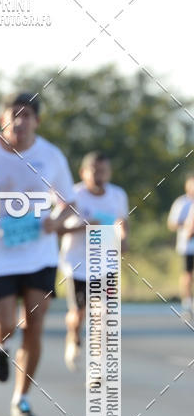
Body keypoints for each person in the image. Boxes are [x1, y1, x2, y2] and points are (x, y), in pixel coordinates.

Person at [0, 93, 75, 416]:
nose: (19, 121)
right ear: (2, 118)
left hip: (39, 254)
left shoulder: (50, 155)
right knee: (3, 324)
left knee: (34, 326)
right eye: (13, 114)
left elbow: (69, 203)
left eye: (27, 114)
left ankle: (22, 399)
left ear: (37, 121)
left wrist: (57, 222)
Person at [59, 152, 128, 369]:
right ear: (83, 172)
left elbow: (122, 222)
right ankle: (73, 336)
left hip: (106, 263)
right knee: (78, 314)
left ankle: (97, 365)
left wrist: (123, 239)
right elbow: (56, 229)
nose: (99, 175)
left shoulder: (117, 195)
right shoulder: (74, 196)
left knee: (104, 313)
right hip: (78, 264)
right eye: (95, 170)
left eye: (104, 171)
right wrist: (85, 225)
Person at [167, 172, 194, 320]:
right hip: (188, 247)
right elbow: (172, 223)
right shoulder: (181, 203)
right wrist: (189, 226)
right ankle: (187, 304)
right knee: (187, 276)